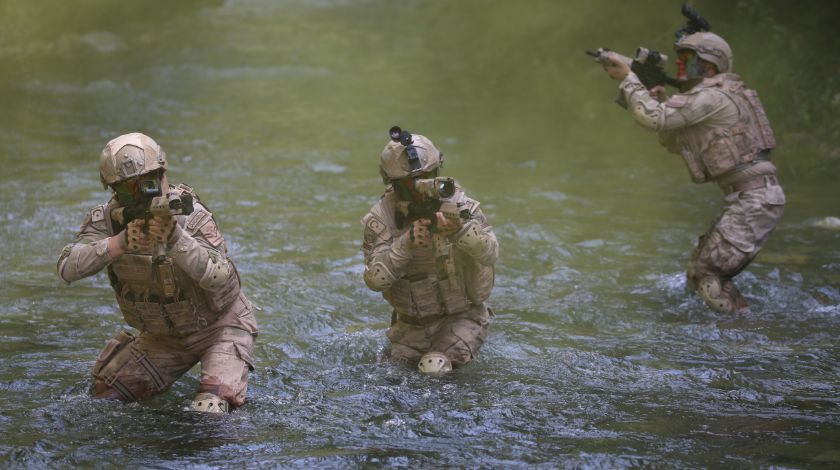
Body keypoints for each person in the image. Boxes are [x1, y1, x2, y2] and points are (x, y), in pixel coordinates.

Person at [57, 132, 257, 412]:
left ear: (163, 174)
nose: (142, 194)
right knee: (103, 401)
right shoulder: (108, 220)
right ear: (115, 191)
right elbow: (66, 268)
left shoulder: (191, 215)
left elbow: (221, 276)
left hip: (219, 326)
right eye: (128, 189)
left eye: (149, 182)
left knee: (209, 410)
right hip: (163, 336)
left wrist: (177, 239)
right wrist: (118, 243)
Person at [599, 30, 785, 314]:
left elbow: (652, 118)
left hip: (754, 199)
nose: (680, 64)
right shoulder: (716, 96)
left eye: (688, 58)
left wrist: (628, 76)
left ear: (710, 66)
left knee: (706, 275)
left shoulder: (711, 98)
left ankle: (744, 336)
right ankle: (741, 323)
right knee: (697, 273)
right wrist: (659, 98)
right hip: (752, 198)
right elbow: (674, 141)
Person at [361, 127, 498, 374]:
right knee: (386, 378)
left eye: (428, 177)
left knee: (434, 367)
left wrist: (459, 231)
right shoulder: (382, 219)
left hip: (462, 318)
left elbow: (490, 253)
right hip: (409, 328)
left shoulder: (460, 206)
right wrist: (406, 245)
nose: (420, 190)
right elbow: (375, 280)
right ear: (393, 184)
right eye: (410, 185)